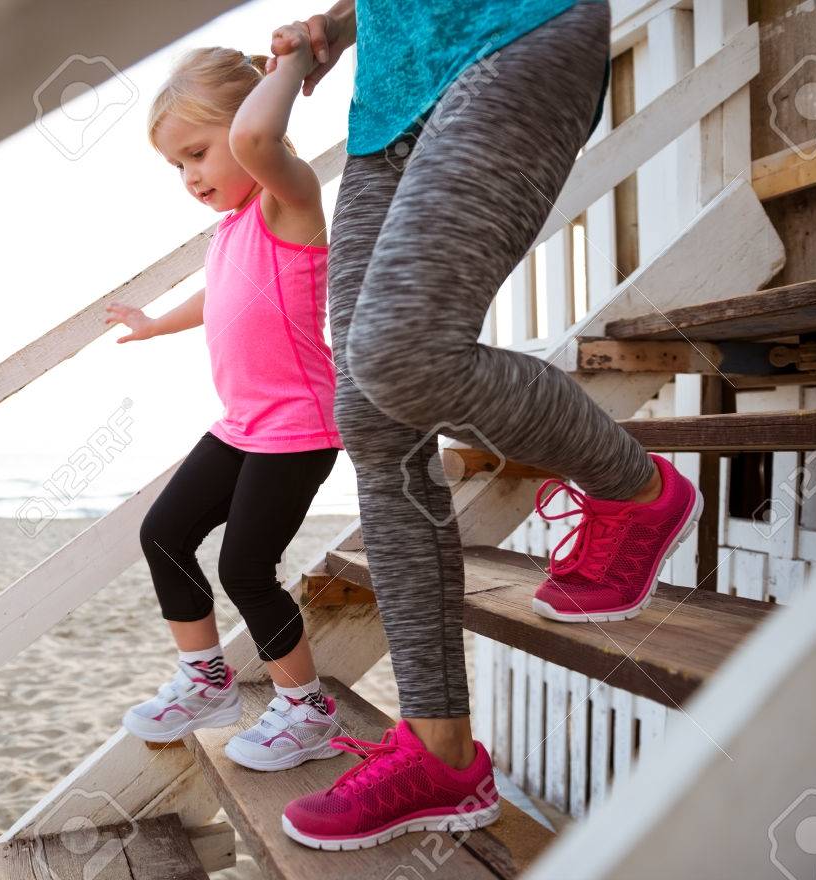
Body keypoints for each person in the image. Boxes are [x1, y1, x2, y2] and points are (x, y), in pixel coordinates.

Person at [269, 0, 702, 850]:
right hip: (386, 101)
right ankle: (440, 754)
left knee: (401, 353)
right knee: (368, 406)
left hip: (515, 31)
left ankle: (636, 487)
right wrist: (345, 22)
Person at [105, 44, 345, 772]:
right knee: (164, 532)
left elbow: (259, 141)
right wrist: (153, 324)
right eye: (176, 165)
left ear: (245, 129)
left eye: (199, 153)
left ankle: (307, 709)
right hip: (243, 425)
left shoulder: (288, 200)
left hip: (299, 428)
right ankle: (206, 681)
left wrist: (292, 69)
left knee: (246, 569)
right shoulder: (232, 228)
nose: (190, 177)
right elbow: (219, 297)